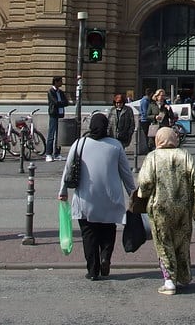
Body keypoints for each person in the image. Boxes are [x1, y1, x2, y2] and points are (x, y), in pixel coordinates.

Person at [59, 112, 137, 281]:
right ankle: (105, 257)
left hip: (86, 198)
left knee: (89, 234)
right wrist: (133, 193)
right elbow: (126, 173)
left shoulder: (80, 143)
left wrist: (63, 191)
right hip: (111, 198)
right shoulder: (115, 146)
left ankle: (93, 270)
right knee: (108, 230)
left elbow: (68, 169)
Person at [136, 126, 195, 294]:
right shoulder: (184, 155)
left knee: (163, 242)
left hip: (160, 208)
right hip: (183, 208)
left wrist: (142, 194)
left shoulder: (153, 157)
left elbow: (145, 183)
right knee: (182, 242)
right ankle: (184, 276)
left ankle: (169, 281)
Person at [45, 76, 69, 162]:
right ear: (56, 82)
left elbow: (66, 102)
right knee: (51, 134)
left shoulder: (61, 92)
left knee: (59, 135)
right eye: (60, 81)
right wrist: (61, 103)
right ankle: (48, 154)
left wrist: (60, 103)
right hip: (54, 114)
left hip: (60, 114)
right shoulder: (51, 91)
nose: (62, 83)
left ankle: (57, 154)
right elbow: (55, 102)